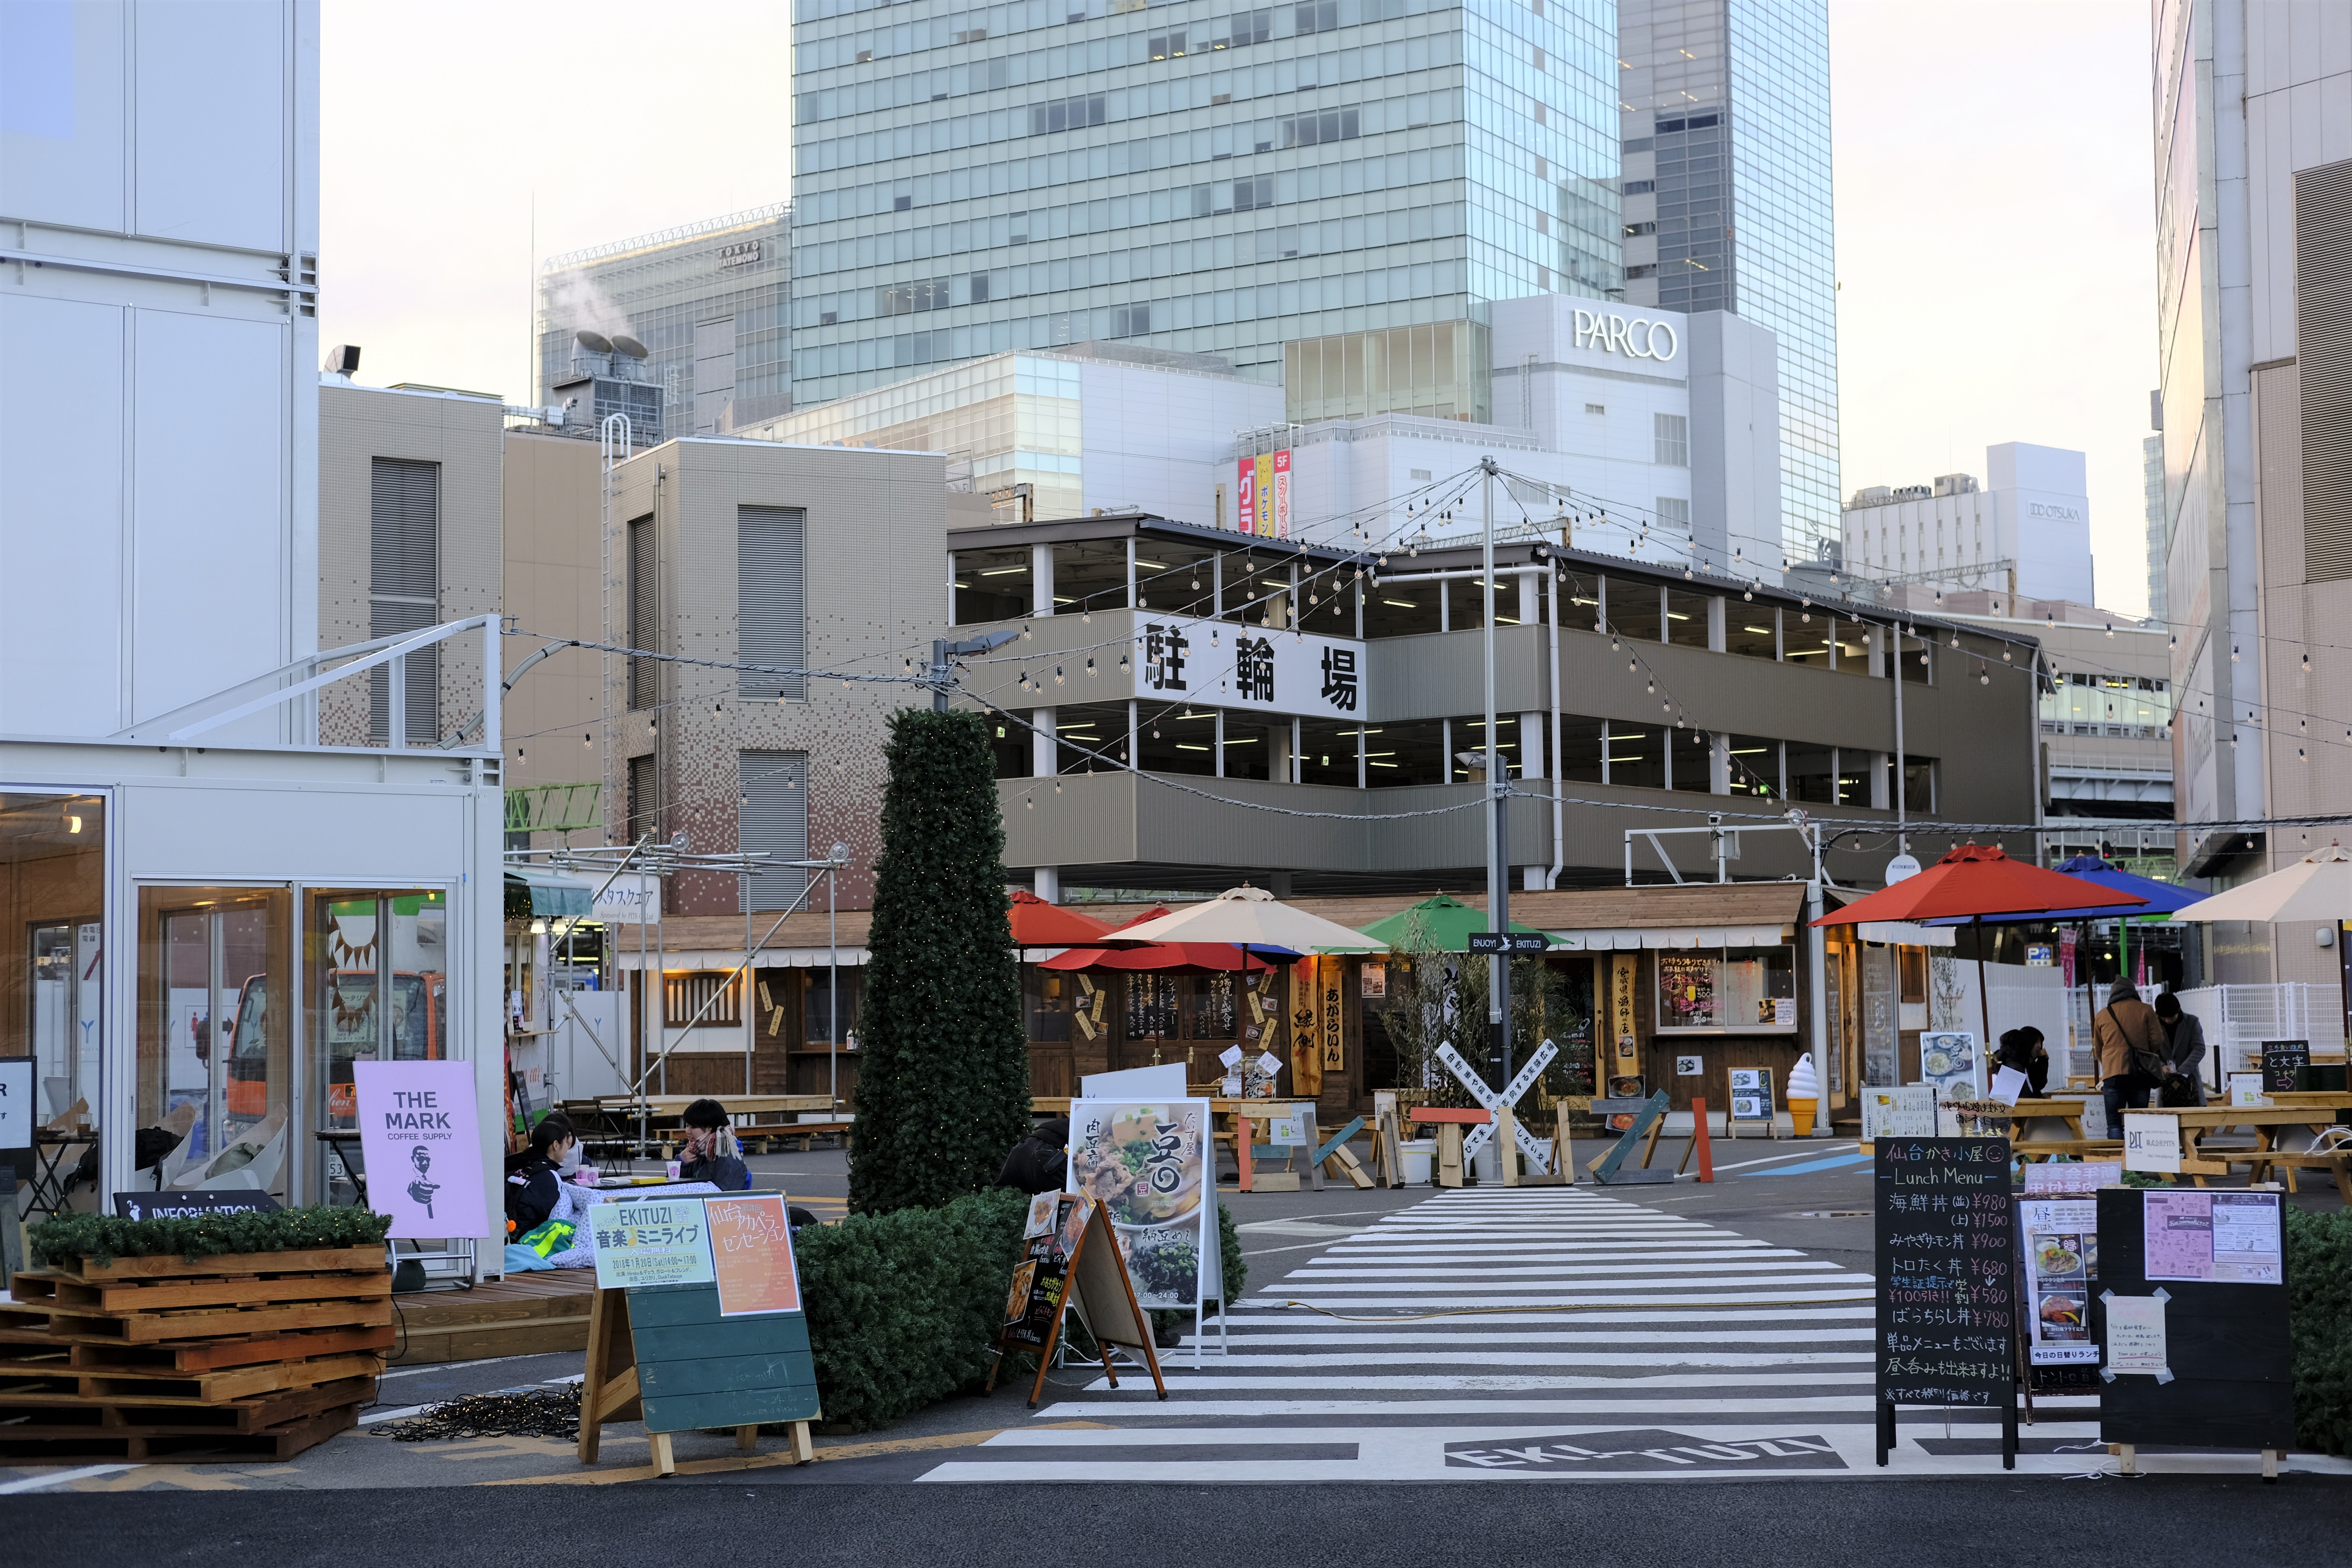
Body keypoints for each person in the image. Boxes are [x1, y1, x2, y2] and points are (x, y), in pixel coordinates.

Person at [2092, 978, 2167, 1133]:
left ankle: (2116, 1146)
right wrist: (2144, 1053)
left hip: (2113, 1073)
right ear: (2133, 992)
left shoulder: (2103, 1015)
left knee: (2114, 1124)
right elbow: (2157, 1040)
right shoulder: (2146, 1010)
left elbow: (2098, 1048)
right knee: (2138, 1122)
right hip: (2140, 1073)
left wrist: (2108, 1061)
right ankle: (2136, 1148)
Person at [503, 1117, 576, 1233]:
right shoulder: (548, 1175)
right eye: (565, 1143)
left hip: (509, 1228)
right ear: (556, 1145)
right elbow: (553, 1216)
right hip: (528, 1236)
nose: (568, 1148)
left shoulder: (522, 1162)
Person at [677, 1098, 751, 1190]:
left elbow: (726, 1194)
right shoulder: (696, 1150)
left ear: (709, 1128)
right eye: (687, 1126)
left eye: (693, 1127)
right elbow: (674, 1186)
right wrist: (681, 1163)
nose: (688, 1131)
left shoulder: (726, 1154)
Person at [2153, 991, 2208, 1105]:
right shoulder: (2153, 1025)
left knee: (2193, 1111)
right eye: (2164, 1018)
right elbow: (2151, 1051)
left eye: (2171, 1017)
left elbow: (2199, 1048)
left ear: (2178, 1010)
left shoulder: (2192, 1022)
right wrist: (2161, 1066)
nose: (2168, 1021)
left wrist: (2183, 1070)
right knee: (2165, 1112)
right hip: (2165, 1081)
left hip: (2190, 1080)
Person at [998, 1116, 1069, 1195]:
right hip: (1045, 1153)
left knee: (1002, 1194)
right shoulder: (1078, 1123)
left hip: (1023, 1148)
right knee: (1072, 1196)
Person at [1996, 1027, 2049, 1098]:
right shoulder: (2013, 1067)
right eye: (2037, 1042)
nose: (2040, 1046)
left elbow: (2037, 1086)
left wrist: (2043, 1061)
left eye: (2041, 1042)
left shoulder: (2024, 1063)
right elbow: (2024, 1097)